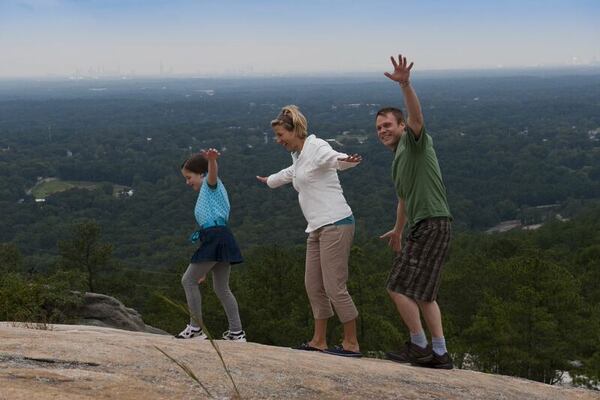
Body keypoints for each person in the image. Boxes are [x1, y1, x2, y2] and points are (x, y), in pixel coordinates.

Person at [256, 105, 362, 357]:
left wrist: (345, 161)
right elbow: (292, 173)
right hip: (316, 227)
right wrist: (270, 180)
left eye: (281, 135)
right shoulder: (299, 155)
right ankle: (319, 340)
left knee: (335, 286)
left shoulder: (316, 147)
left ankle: (351, 343)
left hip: (336, 223)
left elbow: (332, 158)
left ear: (295, 131)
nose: (278, 141)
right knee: (313, 285)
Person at [376, 55, 454, 369]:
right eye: (378, 128)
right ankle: (440, 353)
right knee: (424, 294)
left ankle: (419, 346)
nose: (382, 130)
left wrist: (406, 84)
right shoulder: (398, 160)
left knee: (396, 286)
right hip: (430, 224)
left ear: (402, 126)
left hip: (432, 223)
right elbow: (403, 200)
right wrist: (397, 230)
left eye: (387, 125)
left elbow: (418, 117)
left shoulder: (415, 142)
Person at [176, 148, 246, 342]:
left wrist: (212, 161)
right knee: (221, 288)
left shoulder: (210, 184)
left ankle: (196, 328)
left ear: (202, 174)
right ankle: (236, 333)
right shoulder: (208, 191)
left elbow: (213, 175)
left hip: (215, 237)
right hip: (219, 237)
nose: (187, 182)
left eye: (189, 177)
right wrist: (204, 268)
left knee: (187, 281)